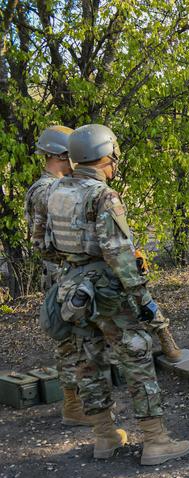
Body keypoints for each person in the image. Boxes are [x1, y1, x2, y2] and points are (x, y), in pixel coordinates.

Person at [45, 124, 189, 465]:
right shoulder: (103, 195)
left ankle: (104, 437)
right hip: (106, 291)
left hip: (71, 290)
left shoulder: (55, 191)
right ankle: (156, 441)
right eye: (113, 158)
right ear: (105, 155)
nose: (115, 164)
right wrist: (144, 301)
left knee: (88, 362)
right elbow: (120, 256)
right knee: (137, 357)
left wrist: (76, 270)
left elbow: (47, 246)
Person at [24, 125, 96, 427]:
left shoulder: (49, 187)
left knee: (77, 340)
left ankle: (77, 401)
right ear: (62, 155)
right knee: (71, 341)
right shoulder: (48, 190)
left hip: (65, 274)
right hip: (63, 275)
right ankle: (73, 404)